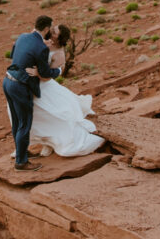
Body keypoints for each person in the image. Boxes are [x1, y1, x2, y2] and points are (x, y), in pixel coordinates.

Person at [26, 24, 104, 157]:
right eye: (52, 28)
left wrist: (37, 73)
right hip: (29, 84)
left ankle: (51, 143)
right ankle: (44, 143)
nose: (51, 31)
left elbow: (49, 76)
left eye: (54, 31)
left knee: (54, 115)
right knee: (34, 116)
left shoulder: (59, 53)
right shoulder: (42, 38)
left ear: (58, 37)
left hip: (44, 86)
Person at [3, 15, 63, 170]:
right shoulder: (41, 47)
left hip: (8, 81)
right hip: (20, 86)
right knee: (24, 123)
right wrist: (58, 70)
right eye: (51, 27)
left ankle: (21, 152)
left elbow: (13, 54)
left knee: (17, 122)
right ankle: (21, 163)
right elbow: (44, 73)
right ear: (46, 28)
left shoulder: (23, 36)